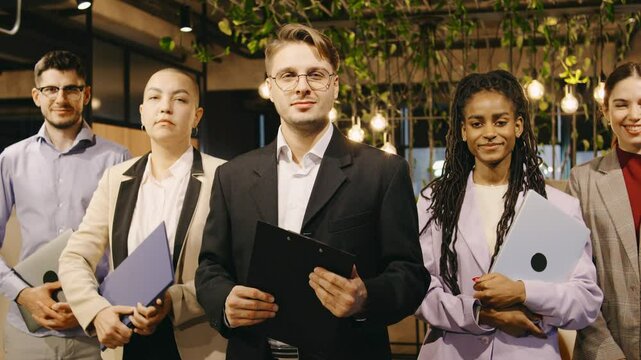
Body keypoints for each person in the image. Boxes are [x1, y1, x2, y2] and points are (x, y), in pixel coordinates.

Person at [195, 23, 428, 360]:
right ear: (270, 88)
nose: (302, 87)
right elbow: (210, 268)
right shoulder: (233, 176)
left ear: (334, 86)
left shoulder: (382, 172)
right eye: (288, 76)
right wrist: (225, 302)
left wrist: (365, 298)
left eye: (316, 75)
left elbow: (410, 274)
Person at [415, 70, 602, 359]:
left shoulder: (557, 206)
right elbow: (418, 289)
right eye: (477, 123)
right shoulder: (434, 203)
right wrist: (482, 314)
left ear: (518, 126)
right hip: (452, 351)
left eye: (500, 122)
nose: (489, 132)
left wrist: (523, 292)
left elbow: (586, 301)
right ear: (464, 131)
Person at [58, 68, 227, 360]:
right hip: (124, 341)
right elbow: (75, 257)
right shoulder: (116, 178)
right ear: (142, 113)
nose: (165, 106)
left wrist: (174, 301)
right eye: (154, 97)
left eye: (180, 99)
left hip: (197, 343)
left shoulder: (224, 176)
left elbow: (232, 268)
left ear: (196, 116)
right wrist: (96, 310)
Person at [0, 50, 129, 359]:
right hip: (28, 331)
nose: (61, 98)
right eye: (50, 89)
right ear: (36, 96)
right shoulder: (11, 159)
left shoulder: (117, 159)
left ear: (85, 94)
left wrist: (90, 305)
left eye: (71, 88)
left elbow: (127, 249)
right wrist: (22, 294)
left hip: (90, 331)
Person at [570, 62, 641, 360]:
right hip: (606, 347)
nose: (634, 115)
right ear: (605, 111)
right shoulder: (583, 179)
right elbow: (573, 273)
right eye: (622, 105)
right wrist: (607, 350)